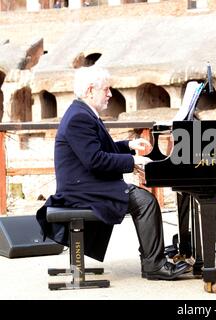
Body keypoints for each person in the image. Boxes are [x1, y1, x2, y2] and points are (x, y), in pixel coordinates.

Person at [36, 65, 189, 280]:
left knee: (143, 200)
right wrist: (133, 161)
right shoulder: (79, 118)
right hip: (81, 191)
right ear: (91, 90)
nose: (110, 94)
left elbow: (99, 150)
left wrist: (129, 146)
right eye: (106, 89)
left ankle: (153, 258)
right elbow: (95, 160)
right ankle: (154, 265)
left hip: (85, 184)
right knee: (145, 201)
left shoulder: (83, 113)